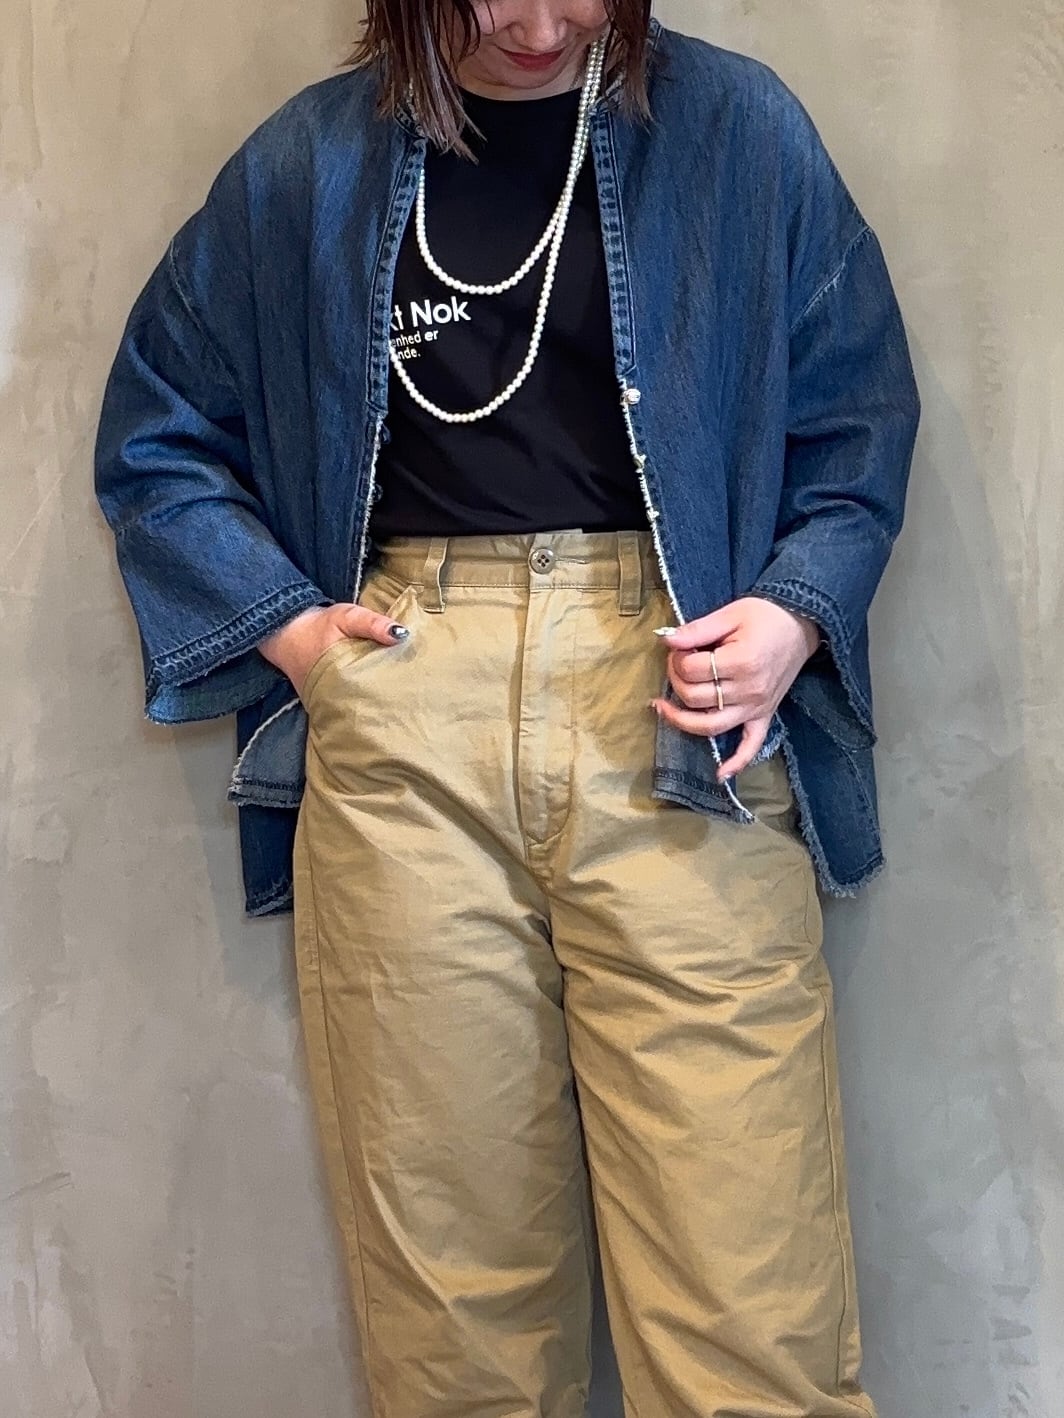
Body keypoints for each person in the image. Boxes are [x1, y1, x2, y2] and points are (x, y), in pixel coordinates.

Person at [94, 1, 920, 1413]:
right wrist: (300, 640)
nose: (542, 24)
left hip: (679, 707)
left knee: (753, 1320)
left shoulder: (736, 131)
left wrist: (791, 613)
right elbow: (156, 432)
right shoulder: (310, 164)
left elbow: (857, 419)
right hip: (405, 716)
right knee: (453, 1339)